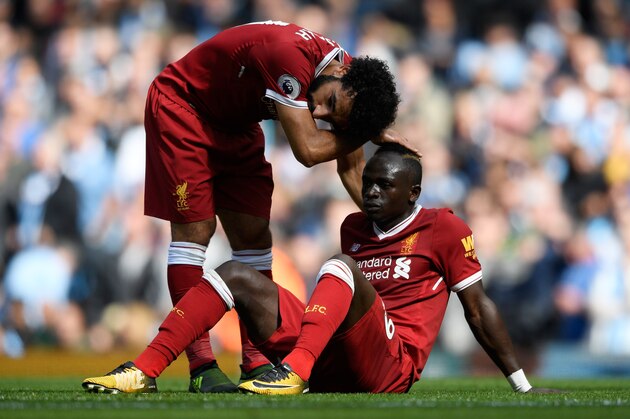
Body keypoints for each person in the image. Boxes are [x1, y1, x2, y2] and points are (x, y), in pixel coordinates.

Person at [83, 144, 550, 395]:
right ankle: (143, 370)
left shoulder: (443, 227)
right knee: (235, 273)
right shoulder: (354, 226)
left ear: (412, 193)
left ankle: (294, 372)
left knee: (341, 266)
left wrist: (520, 384)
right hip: (335, 357)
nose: (370, 193)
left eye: (384, 186)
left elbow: (477, 306)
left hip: (392, 365)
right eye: (367, 184)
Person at [142, 20, 408, 392]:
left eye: (333, 118)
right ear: (342, 72)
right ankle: (201, 366)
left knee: (254, 236)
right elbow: (309, 151)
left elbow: (351, 165)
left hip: (237, 122)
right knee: (196, 231)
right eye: (330, 103)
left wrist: (394, 229)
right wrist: (360, 133)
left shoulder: (347, 78)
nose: (319, 113)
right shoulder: (289, 56)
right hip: (184, 108)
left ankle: (255, 361)